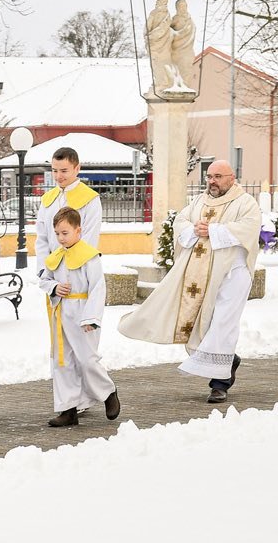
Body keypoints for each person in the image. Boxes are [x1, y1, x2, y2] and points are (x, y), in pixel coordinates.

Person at [119, 160, 260, 404]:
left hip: (232, 274)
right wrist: (194, 228)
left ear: (232, 178)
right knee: (202, 323)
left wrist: (213, 230)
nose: (212, 181)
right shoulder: (199, 201)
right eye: (209, 176)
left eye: (217, 176)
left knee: (223, 323)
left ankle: (219, 383)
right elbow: (180, 223)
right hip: (199, 271)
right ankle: (229, 360)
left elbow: (249, 228)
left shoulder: (245, 202)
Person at [38, 207, 119, 427]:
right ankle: (68, 409)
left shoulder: (89, 257)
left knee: (86, 359)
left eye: (65, 232)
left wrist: (91, 317)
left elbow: (97, 288)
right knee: (63, 361)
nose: (60, 238)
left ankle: (108, 392)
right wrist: (54, 287)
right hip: (62, 313)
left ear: (78, 231)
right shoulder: (56, 257)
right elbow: (44, 280)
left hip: (83, 313)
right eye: (57, 233)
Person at [34, 147, 102, 271]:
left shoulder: (90, 199)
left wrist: (72, 268)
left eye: (64, 171)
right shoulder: (47, 199)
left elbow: (89, 238)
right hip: (51, 270)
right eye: (54, 171)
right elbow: (42, 238)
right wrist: (44, 269)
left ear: (77, 168)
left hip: (78, 270)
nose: (58, 176)